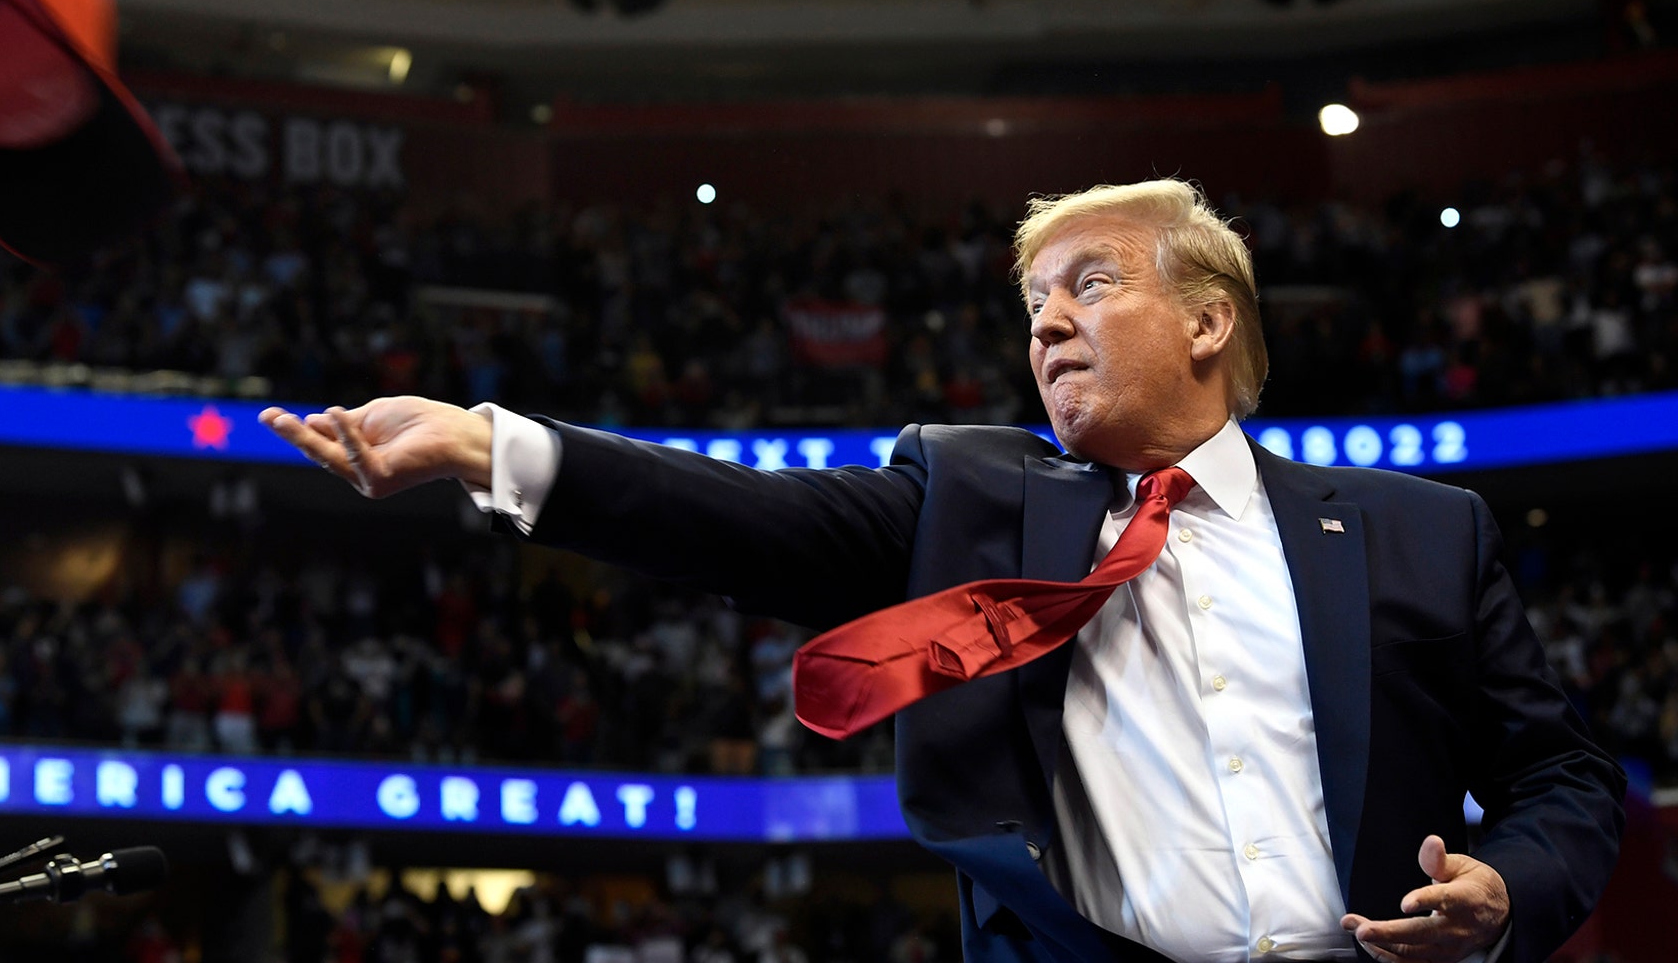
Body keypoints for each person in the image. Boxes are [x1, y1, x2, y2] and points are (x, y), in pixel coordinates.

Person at [262, 180, 1622, 963]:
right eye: (1033, 303)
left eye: (1090, 284)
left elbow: (1562, 780)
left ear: (1210, 320)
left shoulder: (1419, 529)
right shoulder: (975, 497)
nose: (1046, 321)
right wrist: (487, 445)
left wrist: (1505, 891)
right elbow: (737, 518)